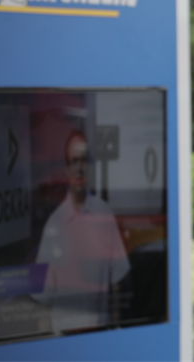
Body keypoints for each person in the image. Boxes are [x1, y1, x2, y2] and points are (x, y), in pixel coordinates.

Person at [35, 130, 130, 334]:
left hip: (100, 338)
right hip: (66, 343)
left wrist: (116, 334)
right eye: (74, 161)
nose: (79, 168)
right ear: (66, 169)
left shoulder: (104, 215)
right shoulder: (54, 225)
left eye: (84, 161)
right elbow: (43, 302)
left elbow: (116, 285)